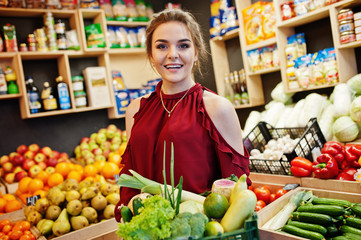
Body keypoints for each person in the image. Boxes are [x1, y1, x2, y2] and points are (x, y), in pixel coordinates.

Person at [115, 8, 250, 221]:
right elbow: (131, 178)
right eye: (161, 46)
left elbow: (237, 188)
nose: (172, 54)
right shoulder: (135, 110)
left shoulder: (217, 107)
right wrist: (131, 204)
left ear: (196, 52)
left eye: (183, 45)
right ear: (151, 54)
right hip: (149, 228)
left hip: (199, 230)